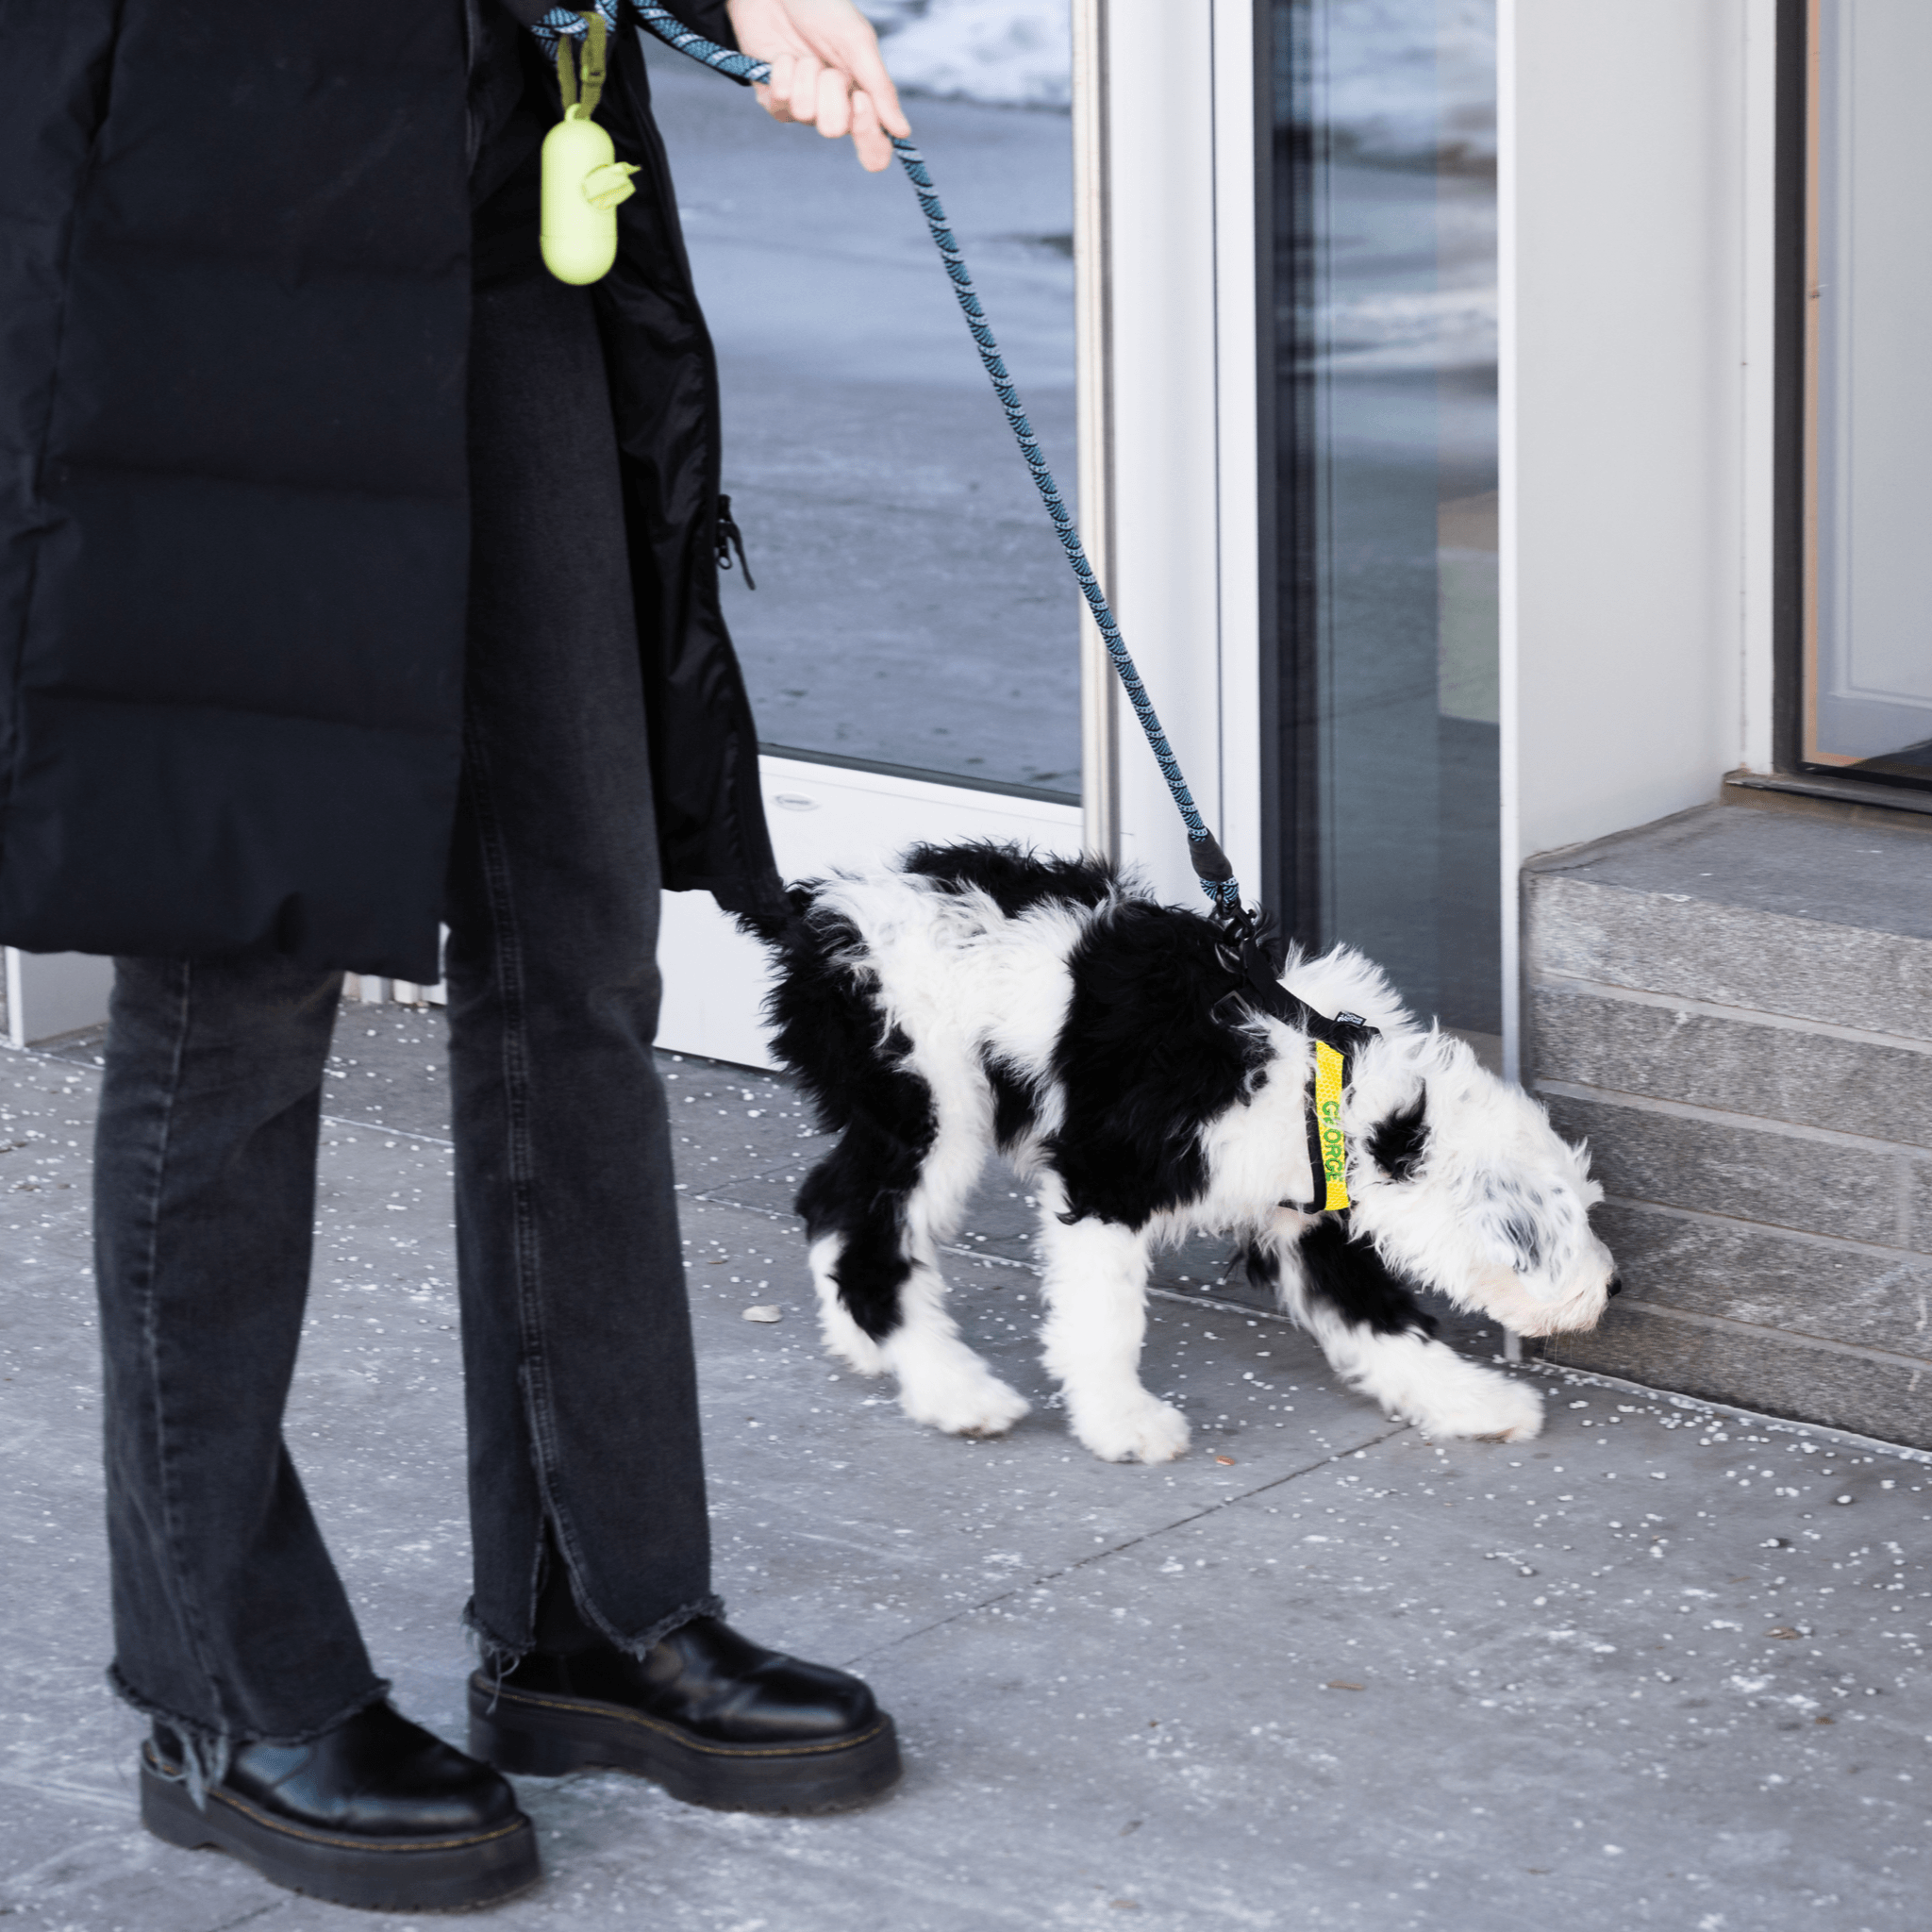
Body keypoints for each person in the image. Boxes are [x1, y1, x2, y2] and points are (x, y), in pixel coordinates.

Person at [0, 0, 912, 1909]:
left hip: (497, 160)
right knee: (236, 955)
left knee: (576, 926)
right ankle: (225, 1684)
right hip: (209, 197)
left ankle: (598, 1609)